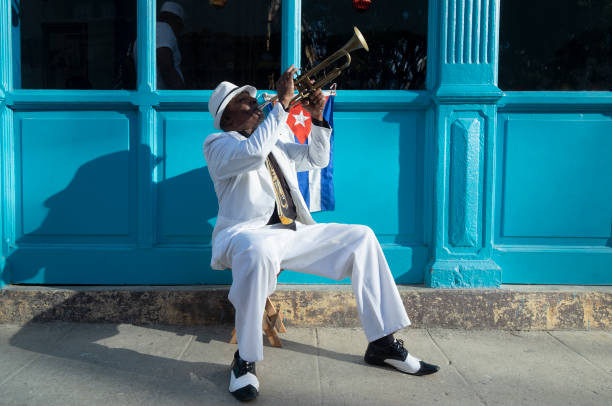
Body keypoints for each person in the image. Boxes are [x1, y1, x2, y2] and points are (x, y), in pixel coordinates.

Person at [204, 66, 439, 402]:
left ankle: (382, 342)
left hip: (290, 231)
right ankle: (245, 359)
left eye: (254, 99)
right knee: (256, 251)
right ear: (227, 119)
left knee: (362, 237)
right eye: (244, 102)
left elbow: (317, 159)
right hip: (246, 235)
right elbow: (252, 152)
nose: (256, 104)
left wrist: (317, 120)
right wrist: (282, 105)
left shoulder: (276, 137)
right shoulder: (217, 144)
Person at [156, 1, 185, 89]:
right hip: (163, 98)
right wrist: (180, 95)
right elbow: (164, 61)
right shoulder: (163, 28)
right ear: (176, 21)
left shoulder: (152, 30)